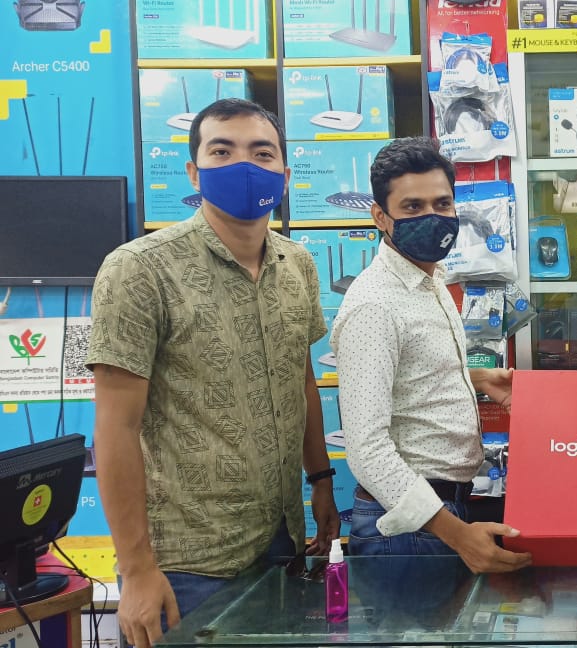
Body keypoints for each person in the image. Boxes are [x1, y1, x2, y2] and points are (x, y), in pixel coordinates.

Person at [87, 99, 340, 648]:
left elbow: (300, 381)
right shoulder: (139, 269)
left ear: (285, 176)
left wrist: (321, 480)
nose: (244, 165)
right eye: (222, 151)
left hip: (282, 542)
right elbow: (115, 428)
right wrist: (136, 569)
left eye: (262, 153)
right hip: (187, 563)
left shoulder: (297, 264)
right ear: (194, 172)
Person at [330, 136, 531, 574]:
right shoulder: (374, 305)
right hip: (411, 529)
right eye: (413, 207)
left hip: (443, 512)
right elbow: (367, 451)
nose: (433, 217)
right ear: (380, 216)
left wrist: (476, 378)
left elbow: (409, 374)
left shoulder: (430, 280)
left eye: (442, 204)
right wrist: (457, 535)